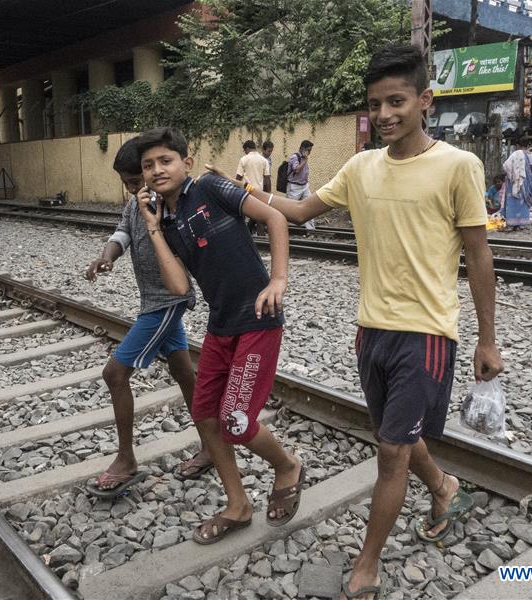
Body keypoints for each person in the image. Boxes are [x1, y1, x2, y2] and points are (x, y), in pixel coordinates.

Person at [209, 44, 503, 600]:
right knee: (396, 433)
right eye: (376, 104)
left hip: (429, 333)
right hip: (371, 330)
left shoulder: (458, 165)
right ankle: (443, 487)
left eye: (398, 101)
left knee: (391, 451)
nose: (386, 113)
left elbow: (479, 255)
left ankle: (367, 563)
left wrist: (487, 339)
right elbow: (295, 211)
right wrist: (234, 187)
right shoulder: (360, 167)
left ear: (425, 101)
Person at [136, 126, 303, 546]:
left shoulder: (210, 188)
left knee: (236, 419)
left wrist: (278, 279)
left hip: (258, 320)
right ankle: (238, 504)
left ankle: (287, 467)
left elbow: (275, 217)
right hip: (221, 326)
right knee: (204, 412)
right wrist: (152, 227)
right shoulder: (166, 220)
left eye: (165, 161)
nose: (157, 170)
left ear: (186, 163)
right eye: (148, 166)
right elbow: (179, 286)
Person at [84, 137, 212, 497]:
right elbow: (122, 233)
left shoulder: (170, 206)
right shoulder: (134, 205)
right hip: (151, 301)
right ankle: (212, 445)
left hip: (166, 302)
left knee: (114, 373)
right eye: (129, 183)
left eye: (136, 182)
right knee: (184, 372)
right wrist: (107, 256)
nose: (135, 188)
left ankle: (126, 459)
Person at [501, 135, 532, 231]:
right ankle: (522, 224)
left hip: (515, 181)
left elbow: (506, 166)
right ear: (528, 144)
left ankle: (512, 224)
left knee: (513, 201)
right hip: (527, 181)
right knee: (524, 202)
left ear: (517, 145)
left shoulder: (515, 154)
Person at [286, 140, 315, 230]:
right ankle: (284, 228)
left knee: (310, 207)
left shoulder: (303, 158)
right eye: (308, 150)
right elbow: (297, 170)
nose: (309, 152)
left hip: (304, 186)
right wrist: (305, 160)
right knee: (289, 209)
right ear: (302, 149)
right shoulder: (294, 157)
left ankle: (311, 229)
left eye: (310, 150)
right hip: (294, 187)